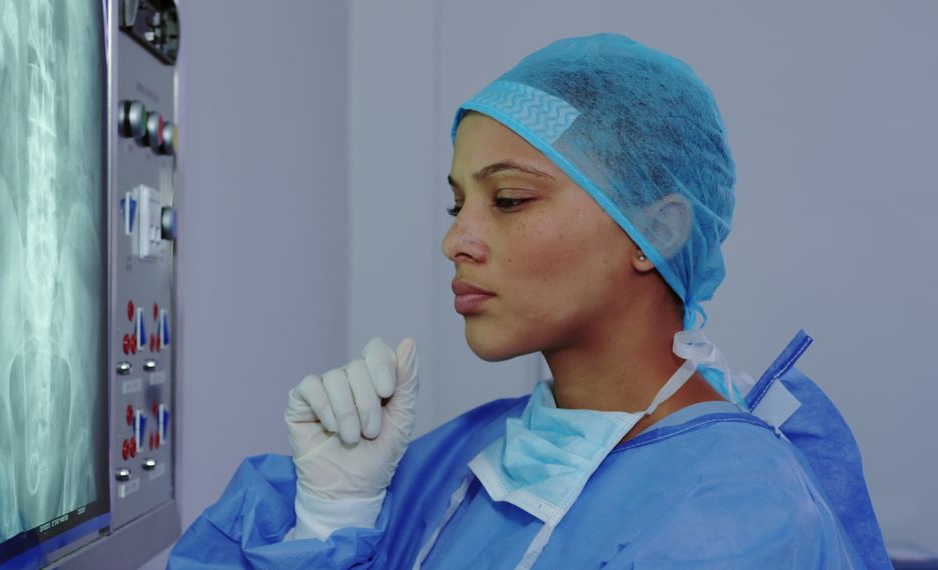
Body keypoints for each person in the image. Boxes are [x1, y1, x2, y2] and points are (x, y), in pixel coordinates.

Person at [169, 34, 890, 569]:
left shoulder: (741, 515)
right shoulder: (466, 456)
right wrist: (332, 515)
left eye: (508, 199)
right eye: (455, 204)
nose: (457, 240)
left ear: (657, 232)